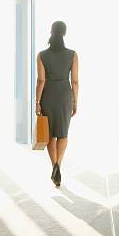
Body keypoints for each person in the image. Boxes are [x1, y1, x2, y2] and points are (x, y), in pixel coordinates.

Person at [35, 21, 79, 187]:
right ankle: (58, 165)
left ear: (51, 32)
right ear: (64, 33)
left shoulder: (42, 55)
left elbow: (41, 80)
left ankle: (54, 165)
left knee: (50, 134)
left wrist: (37, 102)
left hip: (48, 95)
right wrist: (75, 101)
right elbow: (75, 81)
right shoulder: (72, 55)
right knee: (63, 133)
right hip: (64, 96)